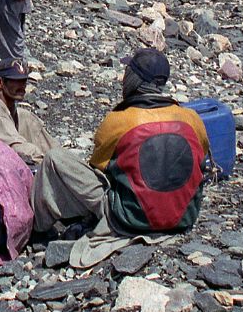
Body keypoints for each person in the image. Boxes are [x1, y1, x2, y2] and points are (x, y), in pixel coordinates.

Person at [32, 49, 209, 252]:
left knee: (55, 159)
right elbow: (200, 160)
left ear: (135, 79)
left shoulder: (118, 121)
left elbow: (99, 168)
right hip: (184, 217)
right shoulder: (192, 118)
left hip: (130, 218)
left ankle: (38, 231)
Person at [0, 57, 58, 165]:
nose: (22, 86)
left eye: (24, 81)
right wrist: (45, 161)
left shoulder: (12, 109)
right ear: (0, 82)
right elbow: (15, 146)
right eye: (16, 81)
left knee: (26, 117)